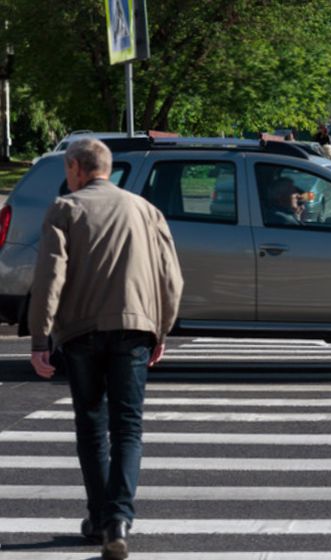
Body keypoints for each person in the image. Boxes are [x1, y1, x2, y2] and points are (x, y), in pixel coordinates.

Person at [28, 138, 183, 560]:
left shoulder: (66, 209)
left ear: (77, 168)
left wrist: (40, 339)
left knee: (92, 425)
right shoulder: (146, 210)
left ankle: (98, 518)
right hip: (135, 330)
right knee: (128, 427)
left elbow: (49, 279)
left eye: (67, 169)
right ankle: (119, 519)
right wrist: (161, 330)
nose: (67, 176)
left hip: (80, 333)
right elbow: (172, 278)